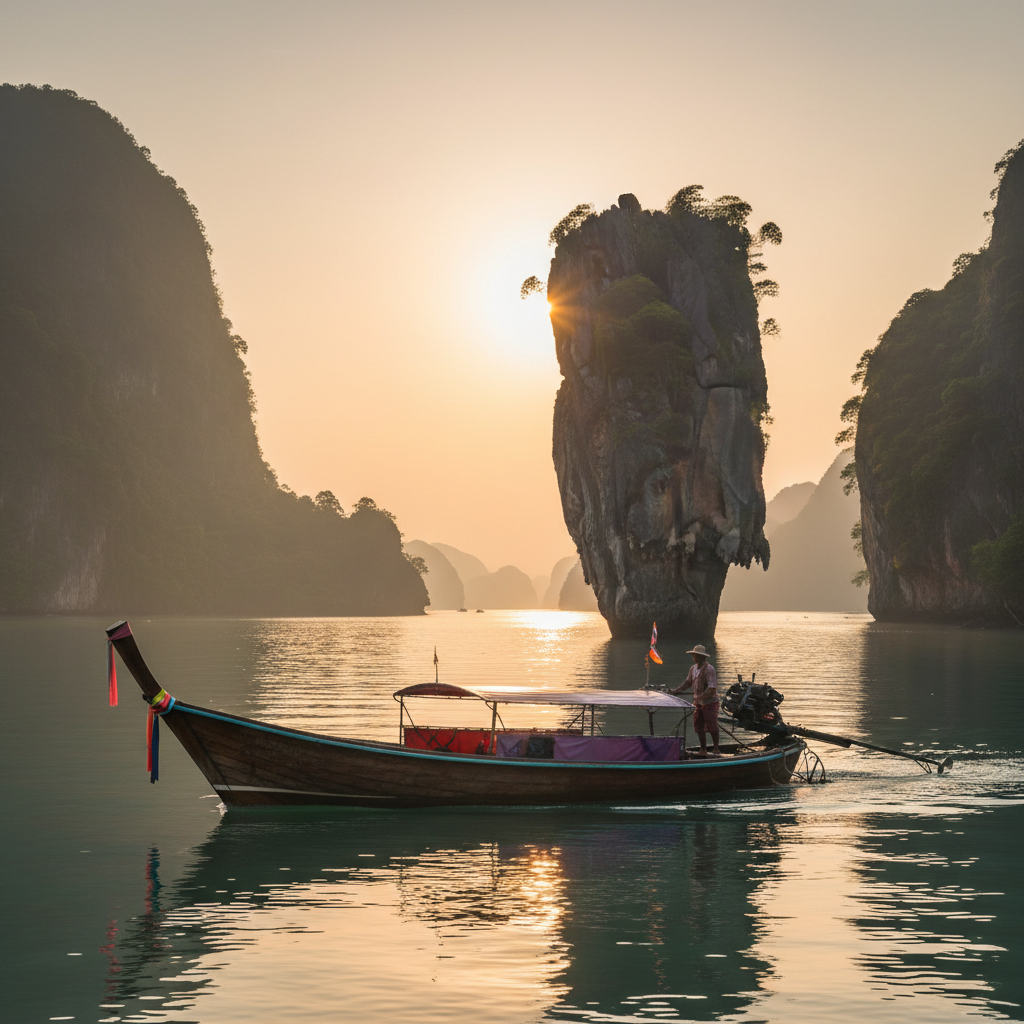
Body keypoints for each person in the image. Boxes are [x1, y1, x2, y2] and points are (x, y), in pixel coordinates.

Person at [670, 644, 720, 756]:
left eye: (696, 655)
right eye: (694, 655)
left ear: (702, 657)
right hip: (698, 703)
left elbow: (712, 688)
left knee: (712, 726)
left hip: (710, 702)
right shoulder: (693, 669)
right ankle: (703, 749)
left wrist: (701, 697)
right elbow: (688, 682)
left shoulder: (709, 669)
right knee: (698, 725)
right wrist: (676, 690)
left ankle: (716, 748)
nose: (694, 657)